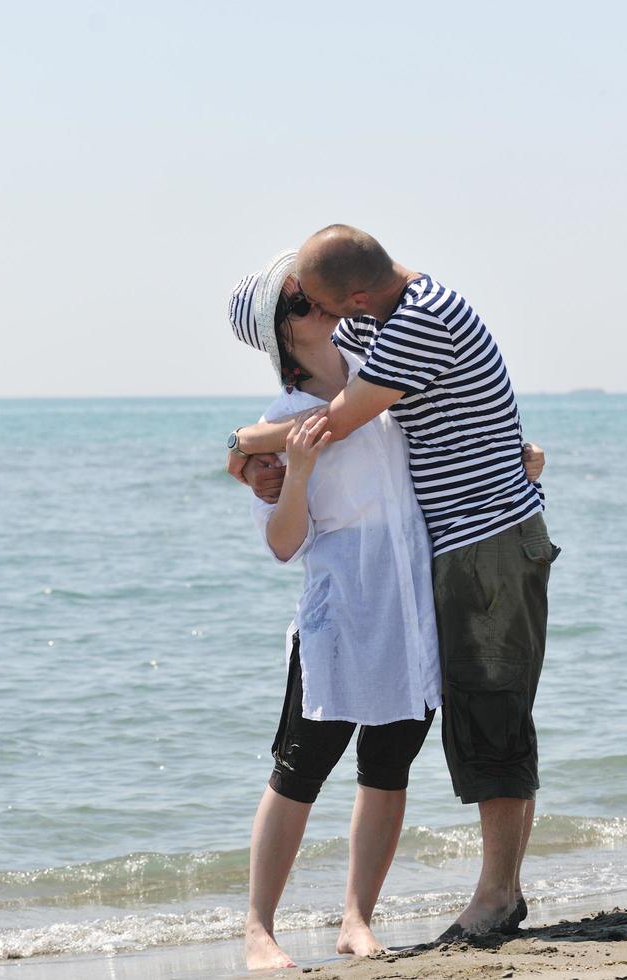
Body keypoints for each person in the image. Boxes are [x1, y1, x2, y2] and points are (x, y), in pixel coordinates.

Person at [227, 225, 558, 944]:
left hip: (416, 600)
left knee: (393, 763)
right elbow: (283, 541)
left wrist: (241, 445)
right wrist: (265, 453)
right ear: (280, 331)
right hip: (347, 609)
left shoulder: (383, 356)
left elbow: (390, 423)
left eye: (310, 292)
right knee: (301, 766)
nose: (309, 304)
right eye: (294, 301)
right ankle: (259, 930)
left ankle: (361, 919)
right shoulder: (287, 418)